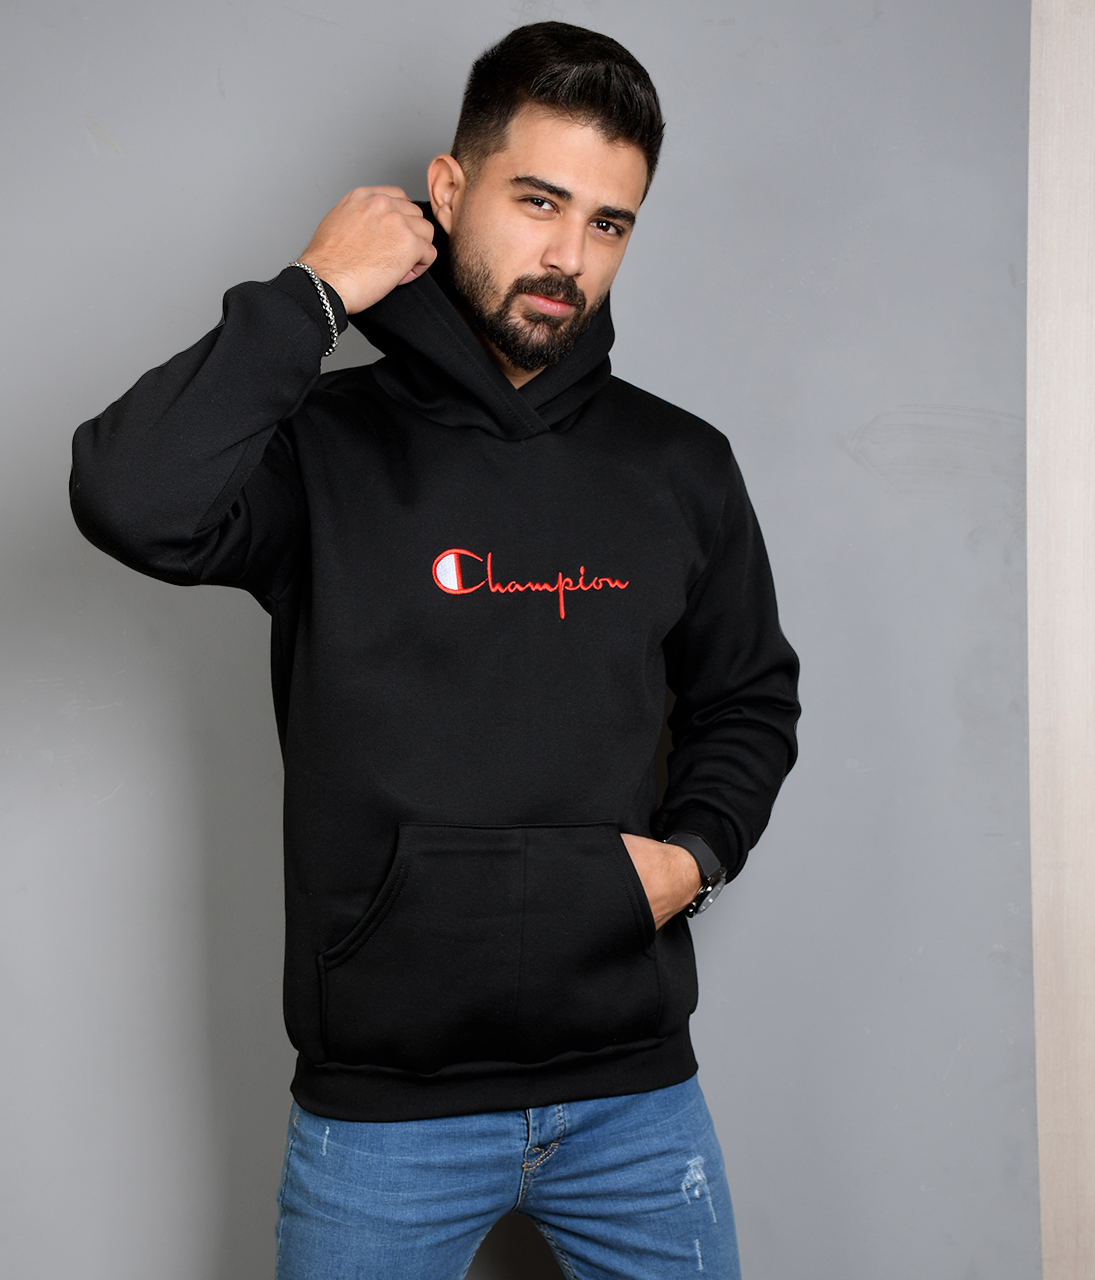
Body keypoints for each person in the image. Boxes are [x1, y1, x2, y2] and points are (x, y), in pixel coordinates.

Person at [70, 21, 799, 1280]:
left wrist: (694, 857)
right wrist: (312, 292)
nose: (567, 256)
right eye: (536, 201)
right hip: (382, 1118)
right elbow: (130, 497)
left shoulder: (679, 464)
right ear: (448, 191)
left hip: (631, 1099)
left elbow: (748, 697)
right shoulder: (319, 447)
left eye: (608, 223)